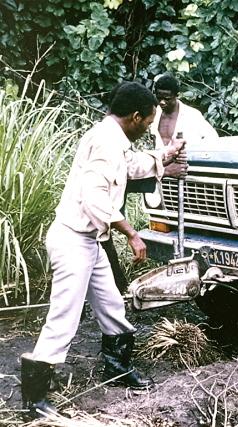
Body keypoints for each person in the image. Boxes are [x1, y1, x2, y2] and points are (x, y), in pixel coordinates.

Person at [20, 82, 185, 419]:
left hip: (89, 240)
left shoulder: (112, 137)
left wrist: (163, 156)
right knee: (63, 317)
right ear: (136, 116)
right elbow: (93, 198)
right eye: (148, 122)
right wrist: (131, 233)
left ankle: (118, 368)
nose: (149, 128)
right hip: (73, 240)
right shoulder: (106, 142)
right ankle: (34, 398)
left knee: (111, 304)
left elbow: (131, 165)